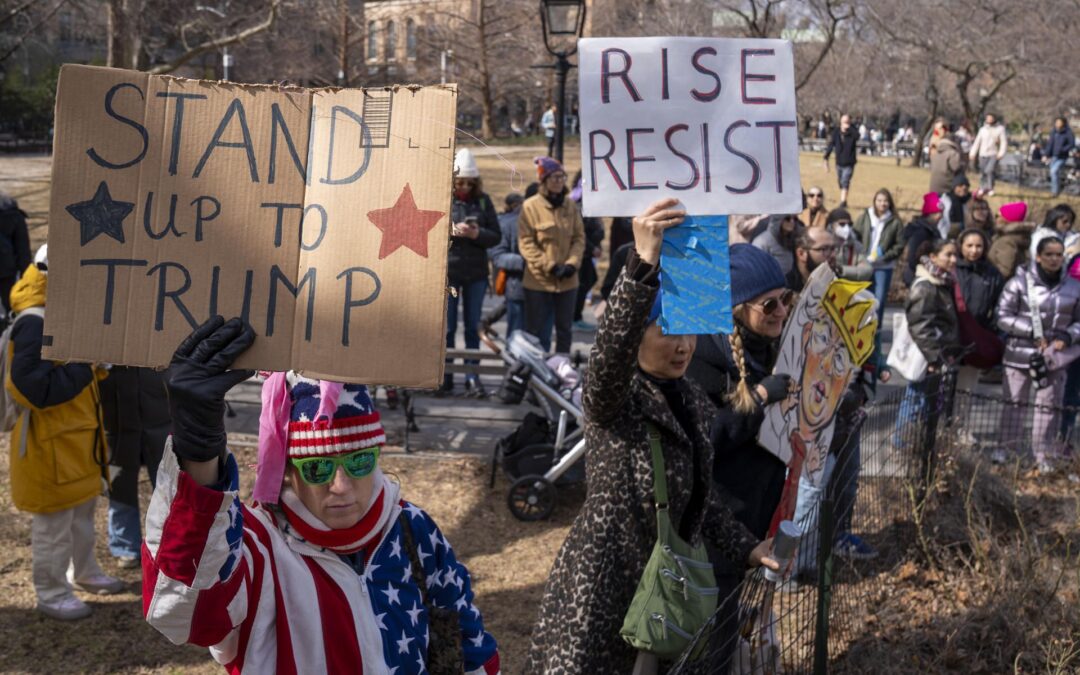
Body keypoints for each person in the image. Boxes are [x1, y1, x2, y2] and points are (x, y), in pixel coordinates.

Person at [142, 319, 501, 672]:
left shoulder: (411, 527)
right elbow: (182, 613)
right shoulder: (255, 547)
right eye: (318, 468)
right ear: (286, 471)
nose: (342, 487)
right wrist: (198, 451)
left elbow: (466, 642)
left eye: (359, 462)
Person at [526, 200, 777, 673]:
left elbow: (699, 499)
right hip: (605, 592)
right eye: (665, 329)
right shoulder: (614, 401)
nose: (682, 344)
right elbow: (608, 353)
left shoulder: (693, 401)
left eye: (689, 330)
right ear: (637, 335)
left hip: (667, 594)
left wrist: (747, 547)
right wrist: (642, 264)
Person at [7, 245, 125, 620]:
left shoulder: (63, 312)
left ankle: (84, 572)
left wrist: (96, 365)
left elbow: (70, 371)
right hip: (49, 446)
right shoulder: (34, 322)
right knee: (53, 528)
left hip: (77, 442)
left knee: (80, 519)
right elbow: (34, 389)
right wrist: (88, 366)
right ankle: (51, 591)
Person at [996, 237, 1080, 472]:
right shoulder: (1019, 284)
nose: (1055, 259)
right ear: (1039, 257)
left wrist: (1068, 336)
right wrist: (1031, 331)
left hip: (1055, 357)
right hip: (1019, 354)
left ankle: (1043, 454)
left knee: (1049, 407)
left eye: (1059, 254)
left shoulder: (1074, 287)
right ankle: (1007, 449)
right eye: (1050, 254)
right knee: (1014, 404)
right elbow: (1002, 315)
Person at [100, 367, 170, 568]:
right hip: (117, 422)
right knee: (119, 487)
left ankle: (166, 543)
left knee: (166, 487)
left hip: (160, 421)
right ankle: (125, 545)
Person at [895, 239, 961, 449]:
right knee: (915, 398)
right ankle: (903, 442)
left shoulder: (941, 281)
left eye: (955, 255)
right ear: (933, 257)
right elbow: (920, 325)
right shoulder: (926, 285)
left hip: (933, 351)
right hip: (925, 353)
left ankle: (913, 441)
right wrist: (934, 357)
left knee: (923, 398)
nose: (953, 259)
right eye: (948, 254)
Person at [445, 148, 500, 396]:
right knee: (447, 328)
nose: (465, 187)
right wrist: (450, 231)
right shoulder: (444, 199)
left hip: (476, 273)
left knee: (472, 326)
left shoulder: (483, 201)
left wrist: (477, 234)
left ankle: (472, 376)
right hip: (450, 272)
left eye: (470, 182)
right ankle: (444, 375)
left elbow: (496, 235)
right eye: (460, 182)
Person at [518, 156, 585, 353]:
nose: (558, 181)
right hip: (538, 281)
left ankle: (563, 371)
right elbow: (526, 243)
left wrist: (572, 264)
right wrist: (550, 266)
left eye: (561, 177)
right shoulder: (530, 206)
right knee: (536, 331)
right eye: (554, 177)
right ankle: (535, 374)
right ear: (544, 180)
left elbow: (579, 238)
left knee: (564, 330)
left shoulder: (571, 206)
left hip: (568, 281)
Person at [953, 229, 1006, 394]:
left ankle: (958, 421)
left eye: (978, 246)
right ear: (961, 246)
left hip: (974, 339)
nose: (974, 250)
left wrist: (990, 329)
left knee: (965, 390)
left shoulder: (992, 274)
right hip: (950, 337)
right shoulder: (951, 270)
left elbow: (1001, 305)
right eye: (969, 245)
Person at [854, 188, 905, 324]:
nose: (882, 204)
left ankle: (876, 329)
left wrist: (884, 257)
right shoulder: (865, 216)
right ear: (874, 201)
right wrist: (860, 254)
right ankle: (860, 326)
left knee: (879, 298)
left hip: (884, 266)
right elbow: (855, 235)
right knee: (863, 297)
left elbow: (899, 245)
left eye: (885, 201)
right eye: (879, 201)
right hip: (864, 264)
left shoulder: (895, 222)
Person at [570, 171, 604, 331]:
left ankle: (575, 316)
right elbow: (579, 232)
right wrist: (592, 248)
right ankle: (574, 317)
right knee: (584, 282)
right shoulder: (578, 205)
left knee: (589, 279)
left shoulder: (590, 204)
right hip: (580, 253)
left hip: (587, 252)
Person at [490, 192, 527, 337]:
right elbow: (496, 254)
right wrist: (525, 263)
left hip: (542, 288)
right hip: (516, 285)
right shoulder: (506, 223)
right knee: (516, 331)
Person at [902, 193, 948, 287]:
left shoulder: (933, 229)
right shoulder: (921, 231)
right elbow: (912, 257)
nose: (939, 216)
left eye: (941, 213)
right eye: (935, 213)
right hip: (917, 275)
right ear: (928, 213)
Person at [0, 191, 32, 316]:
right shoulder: (13, 211)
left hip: (7, 268)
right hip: (6, 269)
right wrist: (26, 276)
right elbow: (22, 247)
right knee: (10, 306)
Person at [988, 201, 1035, 281]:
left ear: (1006, 219)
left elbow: (1005, 271)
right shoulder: (1015, 237)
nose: (995, 218)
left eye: (997, 216)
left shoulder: (1006, 242)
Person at [786, 227, 839, 292]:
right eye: (824, 249)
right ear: (801, 254)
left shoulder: (838, 283)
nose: (833, 255)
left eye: (833, 248)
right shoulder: (786, 291)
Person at [828, 208, 873, 282]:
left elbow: (867, 270)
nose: (846, 228)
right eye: (842, 224)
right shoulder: (824, 245)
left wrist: (841, 269)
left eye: (849, 224)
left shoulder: (856, 245)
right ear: (831, 225)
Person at [823, 114, 859, 207]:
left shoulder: (852, 133)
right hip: (839, 162)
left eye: (847, 122)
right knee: (840, 182)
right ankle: (843, 193)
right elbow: (831, 145)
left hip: (849, 163)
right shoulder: (836, 133)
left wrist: (850, 128)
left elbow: (857, 136)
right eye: (844, 122)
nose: (846, 123)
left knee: (845, 181)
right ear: (840, 122)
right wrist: (826, 158)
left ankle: (843, 202)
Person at [969, 113, 1008, 195]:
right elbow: (977, 142)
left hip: (993, 153)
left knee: (989, 170)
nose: (989, 119)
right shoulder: (982, 129)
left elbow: (1003, 142)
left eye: (991, 118)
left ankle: (990, 188)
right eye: (988, 118)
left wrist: (1001, 153)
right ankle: (982, 187)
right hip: (982, 154)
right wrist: (973, 153)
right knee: (983, 171)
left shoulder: (1000, 129)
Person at [1043, 117, 1076, 197]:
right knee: (1054, 174)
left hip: (1062, 157)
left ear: (1063, 123)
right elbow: (1050, 144)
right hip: (1053, 156)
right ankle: (1057, 190)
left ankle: (1055, 192)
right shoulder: (1053, 132)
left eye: (1059, 122)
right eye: (1056, 122)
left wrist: (1063, 149)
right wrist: (1046, 155)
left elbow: (1071, 144)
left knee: (1054, 172)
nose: (1057, 124)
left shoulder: (1068, 132)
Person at [939, 174, 972, 238]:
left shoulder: (969, 201)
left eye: (966, 186)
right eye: (960, 185)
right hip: (946, 235)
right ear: (954, 187)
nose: (964, 188)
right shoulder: (945, 201)